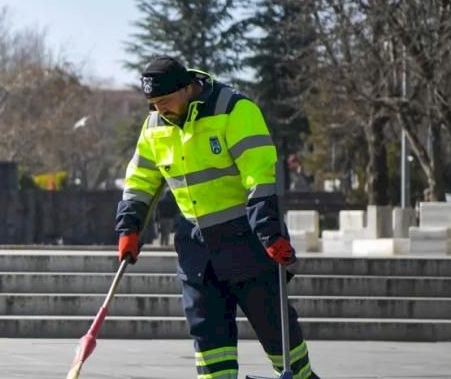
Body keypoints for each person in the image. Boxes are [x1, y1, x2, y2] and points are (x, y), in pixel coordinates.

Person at [115, 56, 319, 379]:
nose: (159, 110)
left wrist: (270, 233)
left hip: (248, 243)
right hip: (196, 252)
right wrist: (129, 226)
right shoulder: (155, 126)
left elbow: (259, 177)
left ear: (186, 88)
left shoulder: (235, 111)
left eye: (164, 102)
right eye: (152, 104)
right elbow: (141, 180)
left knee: (283, 345)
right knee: (211, 354)